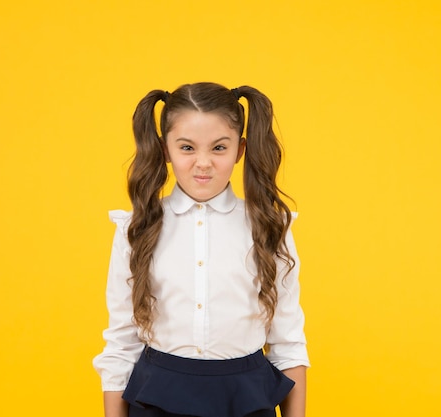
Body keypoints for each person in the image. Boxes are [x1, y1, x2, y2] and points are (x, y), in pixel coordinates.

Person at [93, 82, 310, 417]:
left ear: (240, 150)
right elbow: (121, 344)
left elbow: (288, 343)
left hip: (247, 398)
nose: (204, 163)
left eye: (219, 148)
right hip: (157, 398)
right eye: (187, 148)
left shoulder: (268, 226)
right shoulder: (136, 228)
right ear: (166, 149)